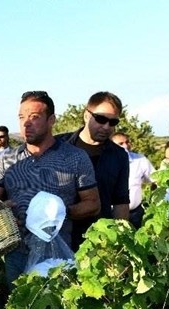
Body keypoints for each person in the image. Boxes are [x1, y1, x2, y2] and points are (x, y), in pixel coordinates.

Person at [0, 91, 99, 285]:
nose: (26, 123)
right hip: (16, 254)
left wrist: (61, 212)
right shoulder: (7, 160)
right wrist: (1, 210)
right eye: (21, 117)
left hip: (57, 255)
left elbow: (93, 204)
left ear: (51, 120)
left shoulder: (75, 158)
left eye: (34, 117)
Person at [57, 91, 129, 250]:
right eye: (101, 119)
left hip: (98, 243)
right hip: (58, 238)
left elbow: (120, 201)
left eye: (112, 122)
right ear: (86, 115)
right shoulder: (57, 146)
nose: (106, 127)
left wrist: (120, 243)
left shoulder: (119, 156)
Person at [111, 132, 155, 228]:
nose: (126, 146)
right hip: (111, 214)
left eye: (127, 142)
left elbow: (156, 179)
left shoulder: (140, 160)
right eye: (121, 143)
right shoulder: (106, 162)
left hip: (135, 215)